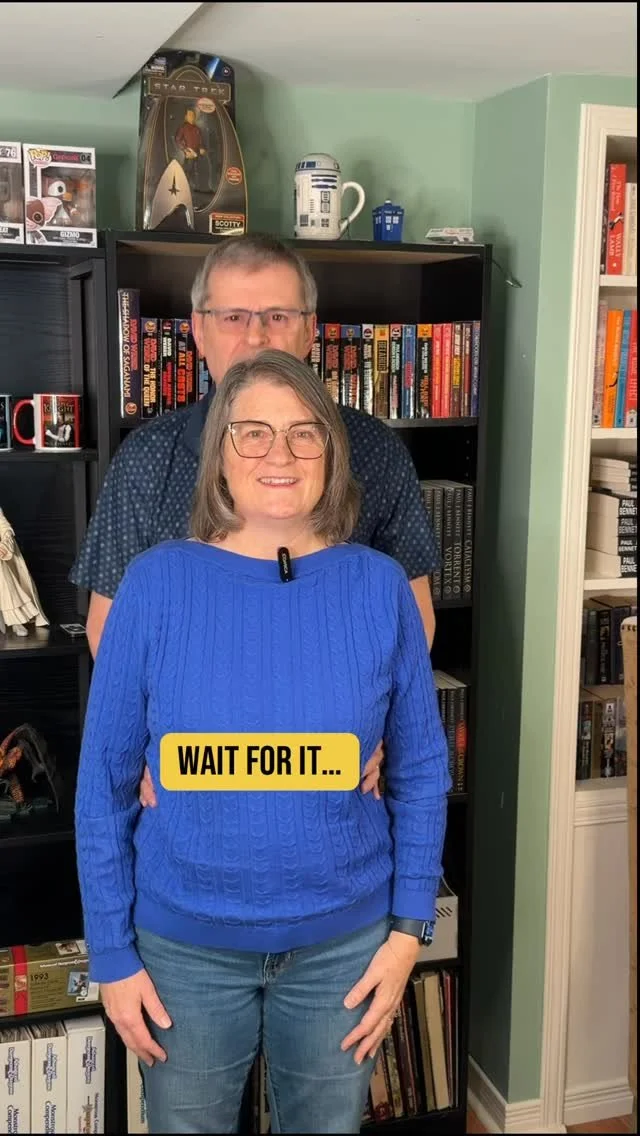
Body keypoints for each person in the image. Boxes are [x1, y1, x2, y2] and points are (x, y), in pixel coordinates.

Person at [74, 348, 450, 1134]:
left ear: (331, 452)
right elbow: (103, 786)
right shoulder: (154, 584)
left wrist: (408, 933)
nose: (279, 453)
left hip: (344, 948)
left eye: (304, 432)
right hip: (183, 951)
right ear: (219, 453)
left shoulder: (379, 586)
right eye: (253, 432)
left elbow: (420, 770)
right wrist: (110, 953)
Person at [69, 233, 441, 803]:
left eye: (277, 316)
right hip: (194, 773)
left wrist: (382, 734)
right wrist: (147, 739)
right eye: (233, 316)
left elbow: (413, 621)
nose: (256, 336)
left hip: (333, 776)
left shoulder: (377, 452)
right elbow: (109, 627)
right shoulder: (146, 459)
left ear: (310, 330)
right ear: (198, 331)